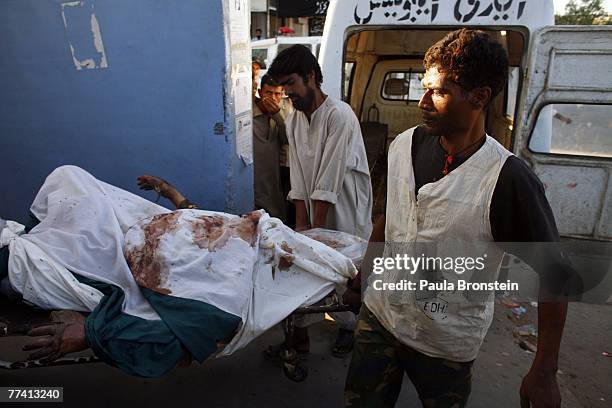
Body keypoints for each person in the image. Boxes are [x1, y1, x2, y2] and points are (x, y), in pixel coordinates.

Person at [342, 29, 569, 407]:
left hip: (445, 342)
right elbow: (387, 219)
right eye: (424, 87)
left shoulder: (507, 179)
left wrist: (543, 371)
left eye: (439, 92)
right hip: (381, 317)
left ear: (479, 97)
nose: (423, 102)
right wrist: (362, 280)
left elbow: (555, 276)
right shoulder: (403, 145)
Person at [266, 44, 373, 356]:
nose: (287, 93)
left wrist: (317, 234)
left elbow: (329, 179)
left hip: (345, 207)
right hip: (316, 208)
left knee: (349, 271)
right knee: (313, 267)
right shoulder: (295, 120)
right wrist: (302, 231)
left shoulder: (340, 115)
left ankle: (351, 329)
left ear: (311, 76)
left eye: (291, 84)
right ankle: (303, 334)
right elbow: (298, 179)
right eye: (283, 86)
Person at [252, 74, 293, 222]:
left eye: (277, 94)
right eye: (268, 93)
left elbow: (289, 139)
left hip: (275, 175)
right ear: (260, 92)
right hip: (256, 177)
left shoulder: (284, 112)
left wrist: (277, 115)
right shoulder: (249, 113)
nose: (273, 98)